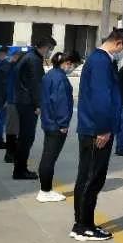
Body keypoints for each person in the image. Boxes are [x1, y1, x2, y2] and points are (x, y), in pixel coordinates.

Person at [72, 28, 123, 242]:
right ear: (119, 43)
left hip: (93, 127)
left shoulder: (100, 60)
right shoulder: (101, 62)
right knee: (92, 178)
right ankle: (84, 226)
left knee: (88, 177)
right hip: (96, 130)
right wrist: (103, 129)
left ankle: (82, 223)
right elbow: (101, 98)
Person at [37, 51, 82, 203]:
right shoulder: (60, 79)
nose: (73, 69)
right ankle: (45, 190)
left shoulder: (49, 75)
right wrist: (63, 123)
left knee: (47, 156)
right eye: (74, 66)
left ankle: (45, 189)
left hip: (48, 121)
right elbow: (61, 102)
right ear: (68, 63)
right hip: (56, 124)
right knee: (49, 158)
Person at [14, 36, 57, 180]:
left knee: (24, 137)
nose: (50, 52)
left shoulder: (29, 56)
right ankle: (20, 170)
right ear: (45, 47)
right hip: (28, 103)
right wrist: (38, 105)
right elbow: (35, 84)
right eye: (50, 49)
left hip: (23, 101)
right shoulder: (34, 60)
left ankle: (19, 168)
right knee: (27, 138)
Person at [3, 50, 23, 164]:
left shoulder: (15, 67)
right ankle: (9, 153)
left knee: (15, 128)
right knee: (12, 129)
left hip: (15, 100)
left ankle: (12, 152)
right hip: (13, 101)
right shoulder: (11, 67)